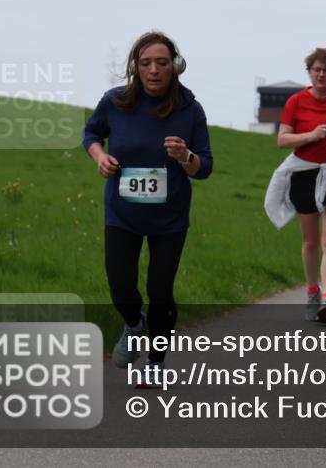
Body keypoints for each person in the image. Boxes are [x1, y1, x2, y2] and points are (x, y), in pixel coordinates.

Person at [82, 31, 213, 388]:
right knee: (121, 289)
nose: (154, 70)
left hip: (169, 218)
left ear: (175, 66)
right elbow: (91, 134)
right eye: (145, 63)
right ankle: (134, 324)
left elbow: (206, 166)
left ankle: (155, 362)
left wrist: (185, 156)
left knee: (160, 289)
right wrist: (100, 157)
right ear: (135, 67)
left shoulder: (190, 109)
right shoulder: (116, 101)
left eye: (162, 62)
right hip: (122, 213)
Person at [265, 48, 326, 324]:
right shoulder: (296, 102)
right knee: (310, 242)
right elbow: (282, 140)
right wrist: (310, 135)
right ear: (309, 72)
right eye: (316, 70)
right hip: (304, 173)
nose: (321, 74)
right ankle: (312, 291)